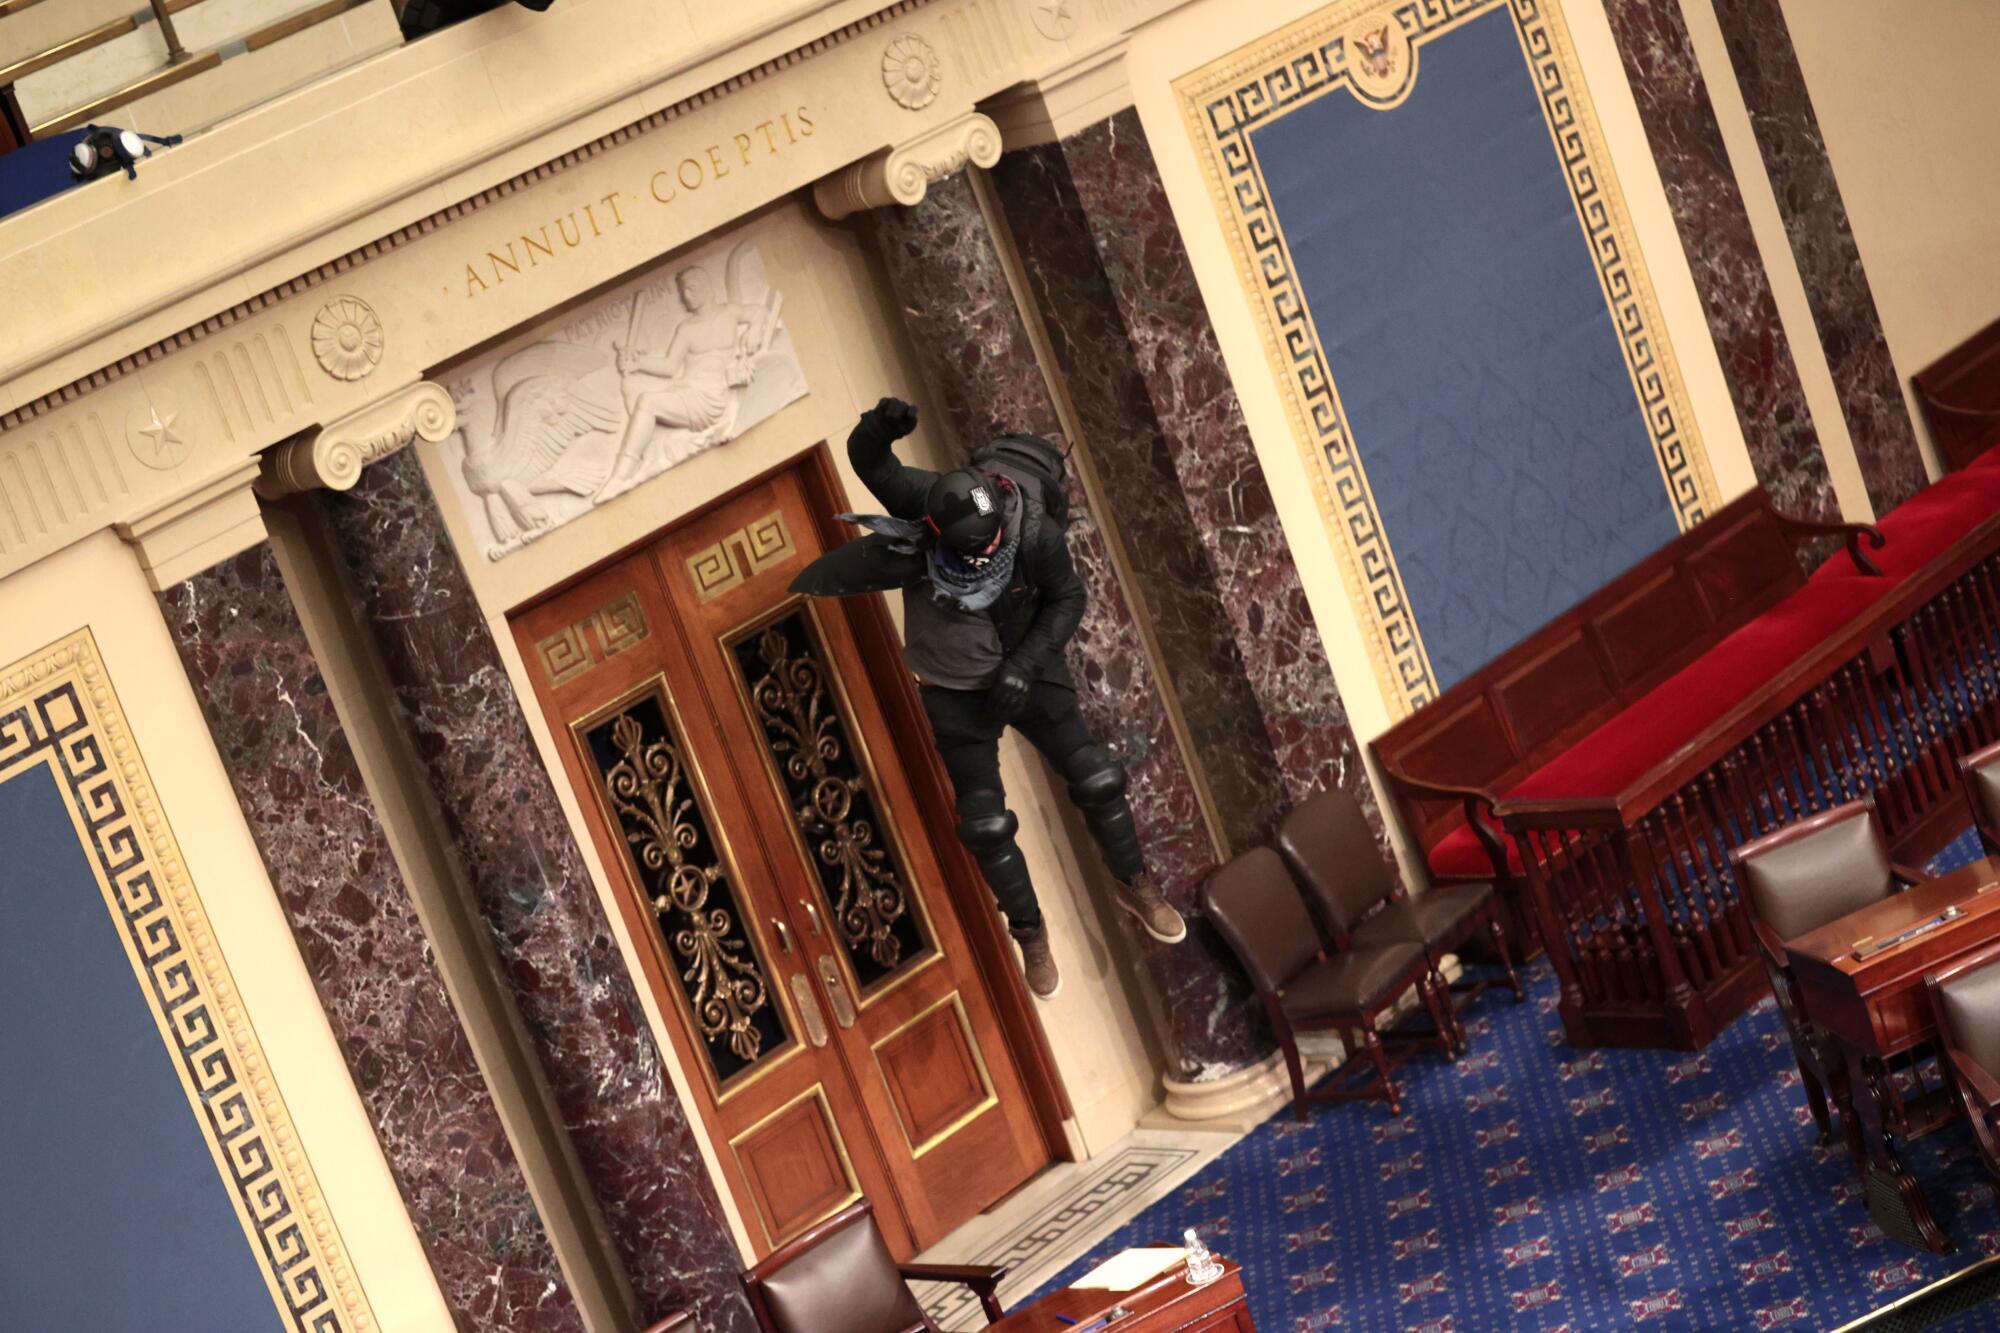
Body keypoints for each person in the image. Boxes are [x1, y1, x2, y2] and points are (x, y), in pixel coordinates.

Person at [792, 396, 1185, 1000]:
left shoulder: (1037, 534)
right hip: (952, 690)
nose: (974, 558)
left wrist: (1026, 666)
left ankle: (1135, 882)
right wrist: (880, 426)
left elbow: (1068, 600)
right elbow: (871, 463)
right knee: (984, 824)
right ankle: (1029, 931)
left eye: (983, 548)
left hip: (1023, 669)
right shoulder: (930, 500)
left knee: (1097, 776)